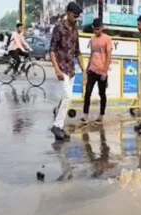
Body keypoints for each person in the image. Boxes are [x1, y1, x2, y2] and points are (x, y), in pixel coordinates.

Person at [50, 2, 84, 141]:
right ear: (68, 13)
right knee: (68, 96)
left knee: (66, 98)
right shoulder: (58, 28)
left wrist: (84, 70)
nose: (76, 19)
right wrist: (56, 69)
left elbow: (77, 51)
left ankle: (60, 125)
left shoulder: (75, 29)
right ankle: (56, 126)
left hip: (71, 69)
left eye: (78, 17)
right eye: (74, 16)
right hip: (61, 68)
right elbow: (51, 50)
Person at [80, 18, 112, 125]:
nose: (96, 31)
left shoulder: (107, 39)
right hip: (92, 70)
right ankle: (85, 115)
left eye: (98, 29)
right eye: (94, 29)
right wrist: (87, 68)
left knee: (101, 93)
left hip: (102, 71)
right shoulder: (92, 39)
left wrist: (105, 71)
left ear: (102, 28)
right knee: (88, 92)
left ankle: (101, 115)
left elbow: (108, 56)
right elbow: (92, 54)